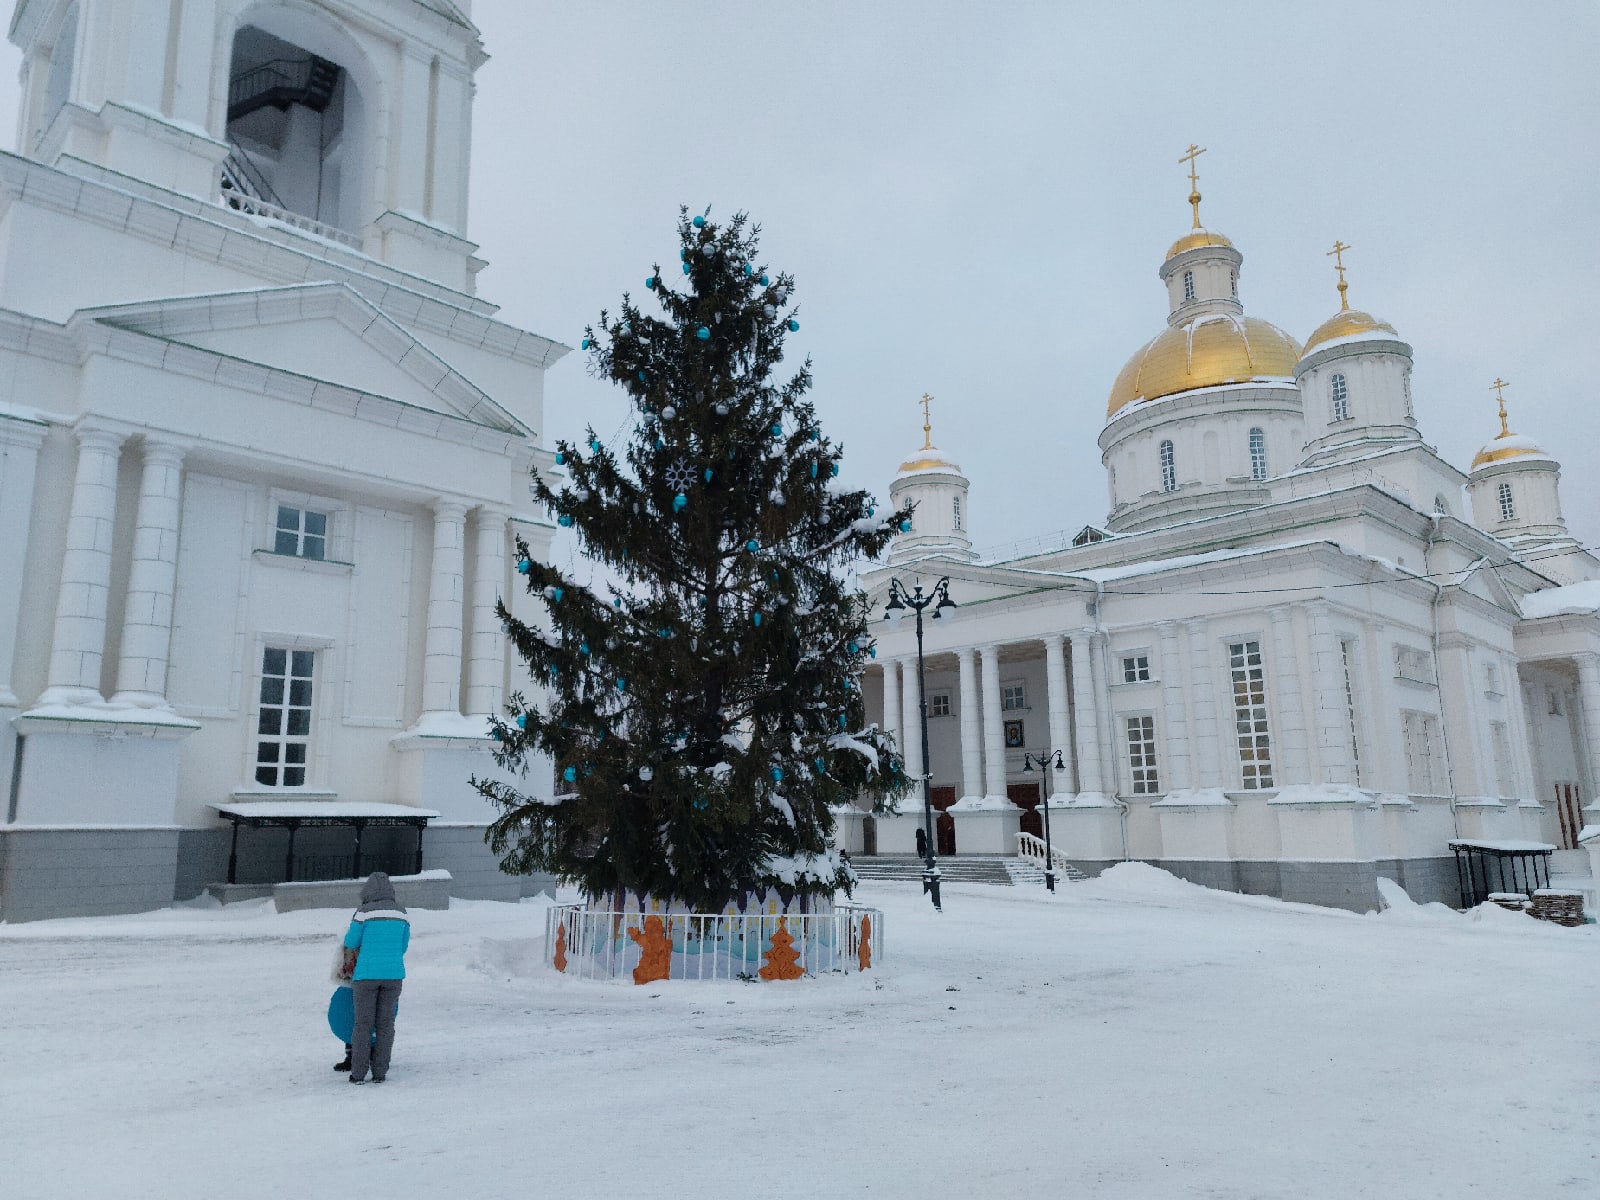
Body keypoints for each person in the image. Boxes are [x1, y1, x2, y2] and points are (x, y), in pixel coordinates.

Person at [342, 871, 410, 1084]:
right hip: (393, 976)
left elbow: (351, 941)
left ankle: (358, 1073)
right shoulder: (402, 913)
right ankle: (380, 1073)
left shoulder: (363, 912)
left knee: (363, 1024)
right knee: (386, 1024)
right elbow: (403, 946)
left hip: (366, 975)